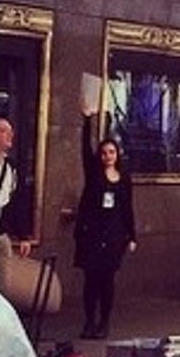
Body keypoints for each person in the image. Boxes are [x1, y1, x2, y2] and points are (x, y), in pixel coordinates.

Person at [73, 112, 136, 339]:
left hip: (114, 235)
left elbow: (128, 206)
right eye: (104, 152)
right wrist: (88, 120)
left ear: (117, 154)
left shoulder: (124, 177)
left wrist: (132, 235)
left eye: (111, 152)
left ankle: (104, 322)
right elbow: (84, 150)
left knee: (107, 280)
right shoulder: (94, 173)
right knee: (91, 278)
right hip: (93, 232)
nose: (108, 156)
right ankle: (89, 321)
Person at [0, 113, 34, 298]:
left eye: (10, 131)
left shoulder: (11, 168)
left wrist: (23, 235)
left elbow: (16, 203)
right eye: (3, 131)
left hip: (0, 233)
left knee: (1, 286)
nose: (9, 135)